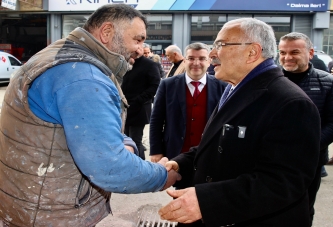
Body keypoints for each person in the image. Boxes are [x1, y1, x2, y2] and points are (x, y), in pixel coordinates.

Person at [0, 4, 180, 227]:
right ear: (106, 33)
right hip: (51, 214)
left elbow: (85, 128)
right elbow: (109, 167)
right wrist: (162, 176)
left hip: (29, 202)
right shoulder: (84, 77)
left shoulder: (62, 56)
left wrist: (124, 144)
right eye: (138, 39)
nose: (141, 49)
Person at [159, 18, 321, 227]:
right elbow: (222, 143)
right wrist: (182, 163)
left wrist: (207, 201)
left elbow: (282, 183)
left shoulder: (291, 103)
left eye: (221, 45)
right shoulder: (234, 87)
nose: (212, 53)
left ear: (252, 52)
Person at [278, 32, 333, 225]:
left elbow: (332, 123)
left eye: (294, 52)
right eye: (282, 52)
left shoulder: (327, 82)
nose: (287, 57)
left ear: (310, 53)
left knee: (304, 208)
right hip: (273, 159)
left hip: (310, 161)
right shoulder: (269, 80)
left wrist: (309, 147)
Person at [149, 42, 226, 168]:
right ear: (184, 61)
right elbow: (156, 120)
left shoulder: (221, 86)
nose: (196, 63)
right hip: (176, 153)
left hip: (209, 154)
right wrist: (156, 150)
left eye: (201, 58)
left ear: (209, 62)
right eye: (191, 58)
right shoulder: (168, 85)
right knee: (180, 187)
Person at [122, 44, 161, 159]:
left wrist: (139, 100)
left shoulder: (150, 65)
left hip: (139, 109)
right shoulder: (125, 63)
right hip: (124, 108)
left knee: (135, 141)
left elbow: (154, 85)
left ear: (141, 50)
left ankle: (140, 167)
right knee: (125, 140)